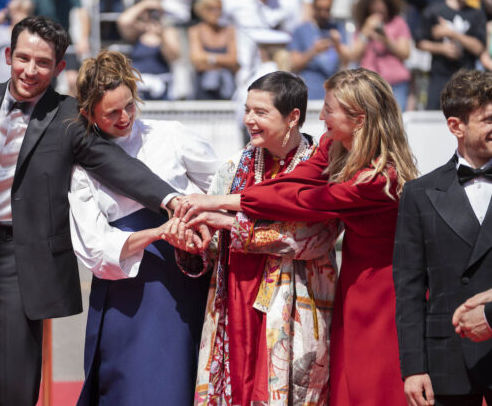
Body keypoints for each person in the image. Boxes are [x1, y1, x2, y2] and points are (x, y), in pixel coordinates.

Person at [0, 16, 179, 405]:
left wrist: (171, 200)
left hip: (19, 260)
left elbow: (119, 167)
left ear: (59, 68)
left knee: (13, 392)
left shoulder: (70, 117)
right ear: (7, 55)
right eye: (23, 58)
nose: (30, 71)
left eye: (42, 63)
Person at [176, 68, 418, 406]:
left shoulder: (378, 177)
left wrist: (224, 212)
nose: (321, 116)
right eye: (248, 110)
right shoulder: (330, 148)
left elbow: (306, 209)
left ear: (359, 119)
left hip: (378, 289)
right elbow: (290, 187)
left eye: (330, 109)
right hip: (344, 283)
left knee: (373, 384)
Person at [70, 50, 219, 405]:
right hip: (128, 292)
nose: (125, 117)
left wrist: (199, 218)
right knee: (131, 387)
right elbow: (93, 246)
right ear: (88, 113)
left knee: (183, 380)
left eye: (130, 106)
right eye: (112, 113)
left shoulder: (171, 135)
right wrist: (158, 233)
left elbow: (222, 184)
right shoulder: (80, 168)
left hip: (183, 280)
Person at [184, 71, 340, 405]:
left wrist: (228, 224)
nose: (249, 120)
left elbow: (312, 237)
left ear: (293, 117)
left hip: (295, 294)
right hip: (236, 292)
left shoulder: (322, 167)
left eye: (260, 112)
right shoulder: (235, 165)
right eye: (247, 110)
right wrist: (193, 237)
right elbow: (210, 242)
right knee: (234, 382)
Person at [394, 69, 492, 406]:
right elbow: (408, 288)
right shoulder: (419, 194)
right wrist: (413, 368)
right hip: (447, 361)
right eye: (489, 119)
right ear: (456, 126)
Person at [415, 0, 486, 109]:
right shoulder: (434, 10)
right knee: (433, 120)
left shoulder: (476, 14)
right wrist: (441, 48)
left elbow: (479, 48)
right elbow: (419, 42)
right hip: (438, 79)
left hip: (467, 80)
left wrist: (451, 33)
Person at [347, 0, 412, 111]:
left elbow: (405, 53)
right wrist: (365, 32)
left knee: (395, 121)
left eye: (381, 9)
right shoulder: (363, 26)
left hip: (396, 83)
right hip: (370, 84)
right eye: (375, 9)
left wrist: (387, 41)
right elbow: (353, 55)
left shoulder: (398, 22)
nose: (378, 12)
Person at [30, 0, 91, 96]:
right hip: (44, 46)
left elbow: (83, 14)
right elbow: (28, 20)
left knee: (74, 81)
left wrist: (84, 39)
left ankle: (68, 110)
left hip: (65, 43)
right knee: (46, 84)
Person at [289, 0, 349, 100]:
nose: (323, 14)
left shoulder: (338, 28)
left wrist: (337, 45)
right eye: (320, 9)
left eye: (327, 9)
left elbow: (347, 61)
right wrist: (313, 51)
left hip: (333, 92)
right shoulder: (301, 30)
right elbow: (294, 65)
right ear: (313, 7)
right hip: (309, 92)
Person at [116, 0, 180, 100]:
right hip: (139, 87)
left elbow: (173, 56)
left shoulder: (167, 32)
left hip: (161, 88)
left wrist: (161, 34)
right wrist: (144, 5)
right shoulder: (138, 33)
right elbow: (123, 21)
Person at [188, 0, 239, 100]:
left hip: (227, 87)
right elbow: (196, 60)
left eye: (219, 9)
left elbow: (234, 60)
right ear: (202, 10)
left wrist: (208, 59)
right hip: (203, 88)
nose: (216, 13)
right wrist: (223, 62)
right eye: (211, 9)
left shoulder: (229, 30)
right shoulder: (195, 31)